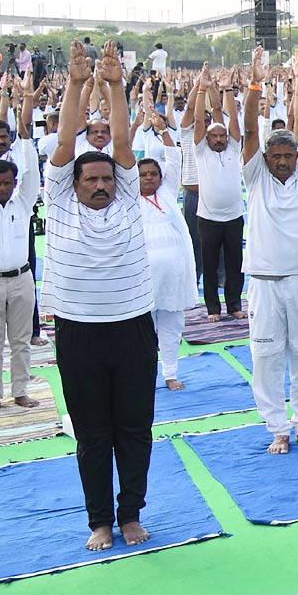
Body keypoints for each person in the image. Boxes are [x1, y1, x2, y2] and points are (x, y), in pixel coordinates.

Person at [43, 40, 156, 552]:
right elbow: (66, 141)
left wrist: (114, 86)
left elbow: (124, 143)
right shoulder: (61, 198)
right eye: (90, 178)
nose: (99, 184)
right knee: (93, 435)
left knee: (134, 428)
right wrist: (73, 84)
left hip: (133, 328)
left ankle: (130, 513)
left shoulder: (128, 193)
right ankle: (100, 520)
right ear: (74, 183)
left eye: (106, 177)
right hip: (78, 333)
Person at [241, 46, 298, 455]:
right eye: (274, 156)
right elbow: (247, 134)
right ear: (265, 158)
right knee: (267, 357)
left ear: (297, 156)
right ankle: (277, 427)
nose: (281, 162)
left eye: (287, 155)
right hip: (263, 280)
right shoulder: (255, 176)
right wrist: (256, 84)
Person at [0, 86, 41, 415]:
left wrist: (26, 135)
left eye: (7, 183)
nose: (3, 188)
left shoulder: (24, 201)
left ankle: (20, 392)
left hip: (21, 280)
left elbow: (31, 171)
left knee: (20, 340)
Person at [136, 85, 196, 391]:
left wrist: (163, 132)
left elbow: (174, 159)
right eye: (143, 174)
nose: (148, 178)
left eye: (152, 174)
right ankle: (143, 373)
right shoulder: (129, 200)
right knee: (142, 329)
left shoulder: (167, 193)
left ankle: (170, 372)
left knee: (172, 325)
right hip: (143, 277)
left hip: (173, 274)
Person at [193, 65, 246, 322]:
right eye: (213, 135)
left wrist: (226, 89)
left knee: (235, 264)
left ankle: (234, 305)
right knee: (211, 266)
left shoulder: (233, 149)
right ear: (206, 138)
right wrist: (202, 89)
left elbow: (234, 120)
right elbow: (197, 121)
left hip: (234, 217)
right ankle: (213, 309)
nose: (218, 139)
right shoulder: (201, 151)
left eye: (221, 135)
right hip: (208, 218)